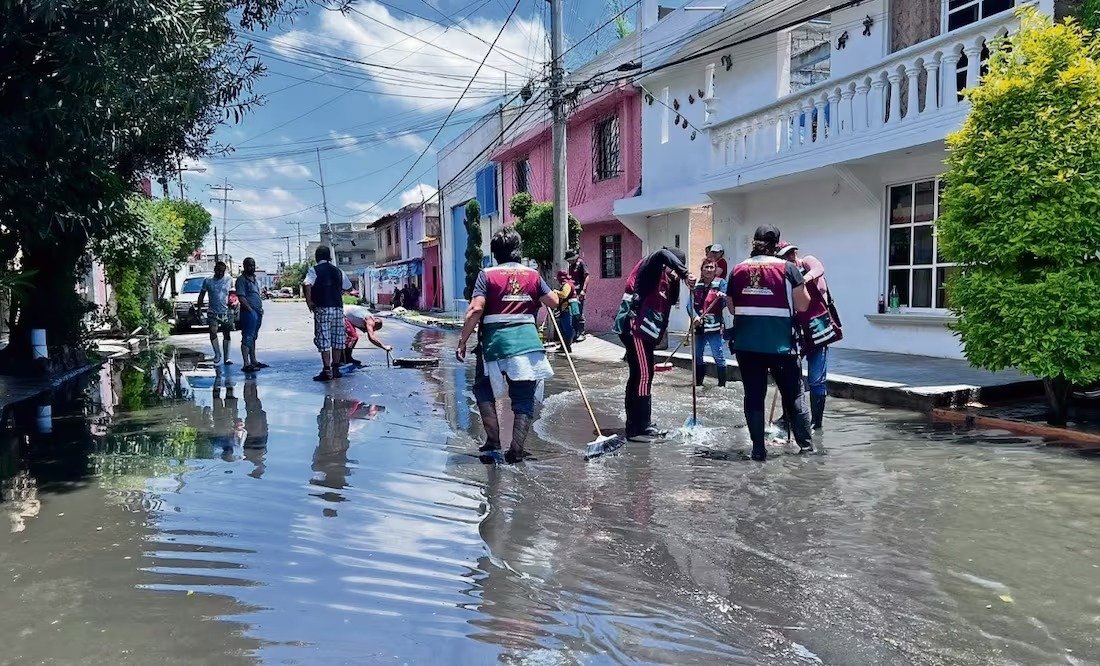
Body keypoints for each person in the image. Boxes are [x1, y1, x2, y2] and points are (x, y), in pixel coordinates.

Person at [456, 227, 559, 463]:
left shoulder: (487, 275)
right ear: (518, 250)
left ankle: (493, 440)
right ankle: (516, 449)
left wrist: (462, 340)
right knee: (523, 397)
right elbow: (553, 302)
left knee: (484, 390)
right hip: (527, 343)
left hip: (494, 344)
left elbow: (475, 309)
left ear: (495, 252)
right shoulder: (533, 275)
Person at [727, 225, 813, 461]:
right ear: (776, 245)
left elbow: (732, 307)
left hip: (747, 346)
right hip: (781, 346)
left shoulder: (736, 270)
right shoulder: (789, 269)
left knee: (753, 396)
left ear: (754, 243)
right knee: (794, 395)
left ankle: (758, 450)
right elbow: (803, 305)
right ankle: (806, 450)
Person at [613, 247, 694, 442]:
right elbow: (660, 254)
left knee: (638, 375)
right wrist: (684, 273)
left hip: (646, 333)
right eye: (673, 267)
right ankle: (640, 427)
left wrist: (676, 281)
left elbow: (671, 301)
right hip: (635, 329)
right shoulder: (651, 266)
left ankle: (634, 423)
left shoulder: (666, 279)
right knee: (644, 375)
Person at [777, 241, 840, 430]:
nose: (789, 258)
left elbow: (818, 268)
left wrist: (802, 279)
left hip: (818, 329)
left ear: (795, 252)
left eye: (790, 253)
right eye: (783, 256)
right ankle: (787, 417)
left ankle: (816, 423)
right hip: (797, 331)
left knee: (816, 379)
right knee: (789, 376)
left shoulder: (807, 263)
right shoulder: (784, 276)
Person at [303, 246, 352, 382]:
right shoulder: (338, 271)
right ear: (329, 257)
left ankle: (327, 371)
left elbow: (307, 284)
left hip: (322, 308)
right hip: (337, 308)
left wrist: (309, 302)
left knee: (324, 339)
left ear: (317, 257)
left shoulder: (314, 270)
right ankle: (336, 370)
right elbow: (348, 287)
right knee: (337, 338)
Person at [686, 258, 728, 387]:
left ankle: (722, 386)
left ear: (715, 270)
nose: (709, 270)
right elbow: (689, 305)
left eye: (711, 267)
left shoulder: (721, 283)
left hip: (714, 327)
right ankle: (698, 384)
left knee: (718, 356)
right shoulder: (696, 285)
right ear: (702, 269)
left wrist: (723, 297)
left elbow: (727, 301)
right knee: (697, 355)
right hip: (699, 327)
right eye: (706, 267)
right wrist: (694, 317)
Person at [195, 261, 234, 365]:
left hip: (226, 311)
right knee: (213, 331)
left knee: (227, 333)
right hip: (212, 312)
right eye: (218, 271)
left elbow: (233, 294)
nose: (220, 273)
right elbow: (202, 295)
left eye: (222, 271)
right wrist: (199, 309)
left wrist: (234, 304)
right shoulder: (208, 281)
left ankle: (227, 357)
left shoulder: (229, 279)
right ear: (214, 270)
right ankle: (217, 353)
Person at [235, 257, 268, 372]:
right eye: (249, 265)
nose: (251, 267)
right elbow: (241, 297)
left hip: (257, 311)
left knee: (253, 337)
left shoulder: (254, 279)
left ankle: (253, 360)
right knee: (247, 337)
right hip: (248, 312)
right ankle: (246, 363)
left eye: (253, 265)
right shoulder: (241, 280)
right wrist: (250, 310)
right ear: (244, 266)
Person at [566, 251, 590, 342]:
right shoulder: (571, 266)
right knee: (574, 312)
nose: (569, 262)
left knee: (579, 312)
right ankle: (575, 333)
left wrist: (584, 290)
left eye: (570, 260)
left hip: (579, 291)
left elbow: (587, 276)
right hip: (573, 292)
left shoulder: (581, 263)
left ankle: (581, 333)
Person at [553, 269, 579, 354]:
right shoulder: (570, 284)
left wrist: (556, 292)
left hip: (567, 310)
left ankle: (567, 347)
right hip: (566, 309)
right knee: (563, 329)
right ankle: (563, 346)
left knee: (567, 329)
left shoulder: (567, 285)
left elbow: (564, 295)